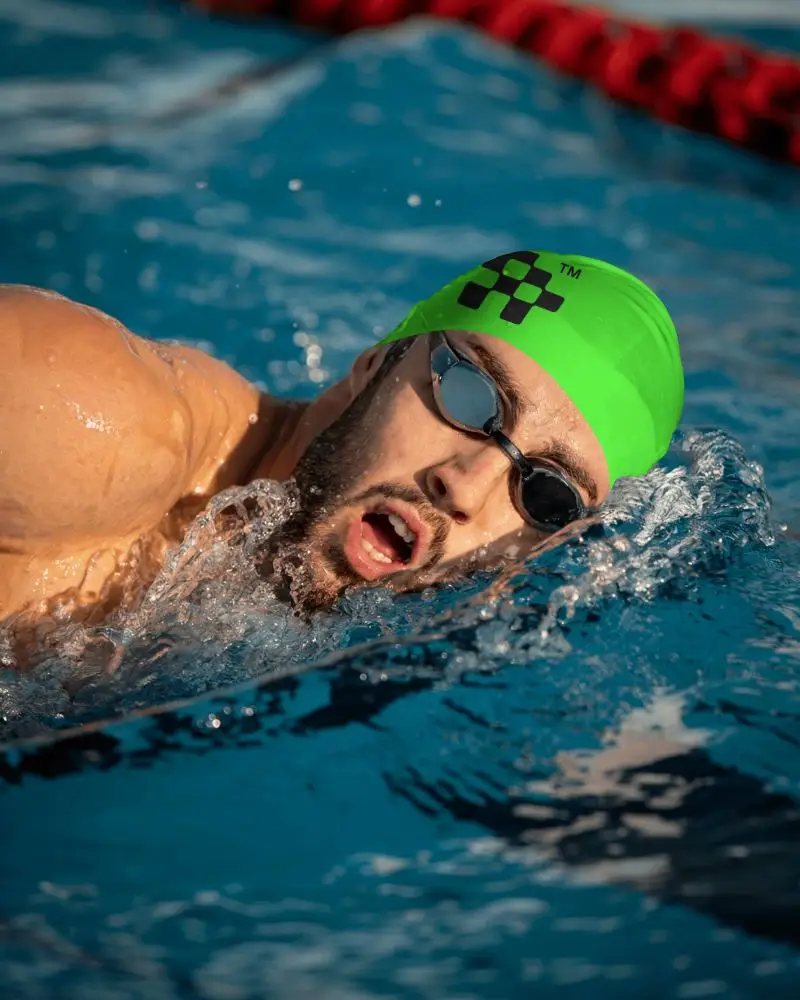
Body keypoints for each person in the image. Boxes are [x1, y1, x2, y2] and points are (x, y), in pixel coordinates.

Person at [0, 250, 683, 641]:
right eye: (473, 398)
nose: (465, 485)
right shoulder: (83, 416)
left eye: (545, 491)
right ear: (373, 366)